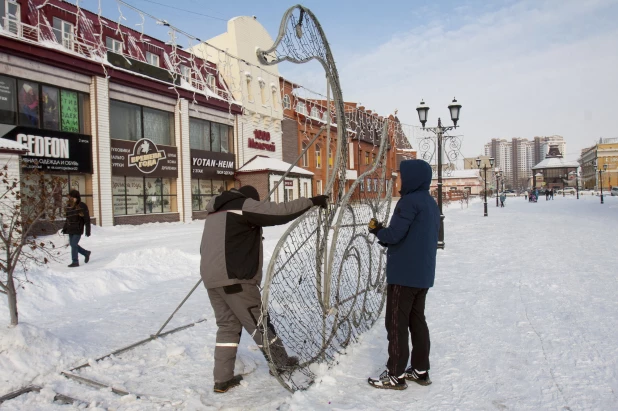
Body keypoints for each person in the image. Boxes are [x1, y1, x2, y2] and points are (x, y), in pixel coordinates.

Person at [200, 185, 328, 393]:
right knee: (259, 324)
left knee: (227, 327)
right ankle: (281, 363)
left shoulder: (214, 212)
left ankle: (222, 379)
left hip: (211, 280)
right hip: (236, 280)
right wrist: (311, 202)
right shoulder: (242, 205)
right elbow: (279, 212)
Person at [366, 159, 439, 390]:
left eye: (402, 176)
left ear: (412, 178)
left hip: (404, 276)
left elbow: (394, 235)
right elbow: (413, 235)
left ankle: (395, 375)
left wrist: (377, 229)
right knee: (417, 322)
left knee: (396, 324)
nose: (399, 179)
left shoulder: (408, 202)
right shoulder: (429, 202)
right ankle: (420, 369)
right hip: (422, 275)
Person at [62, 190, 91, 267]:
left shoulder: (82, 206)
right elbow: (68, 218)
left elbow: (87, 219)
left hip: (78, 228)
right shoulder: (69, 206)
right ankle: (86, 253)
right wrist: (65, 227)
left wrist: (88, 230)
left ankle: (75, 261)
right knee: (73, 245)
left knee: (73, 244)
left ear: (76, 197)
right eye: (70, 197)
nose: (71, 199)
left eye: (72, 197)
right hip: (70, 228)